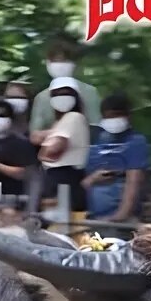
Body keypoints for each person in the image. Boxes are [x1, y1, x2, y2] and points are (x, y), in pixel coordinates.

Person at [83, 93, 148, 223]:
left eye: (118, 115)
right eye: (109, 116)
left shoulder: (135, 141)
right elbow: (85, 182)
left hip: (121, 220)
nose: (114, 119)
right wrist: (92, 179)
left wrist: (120, 216)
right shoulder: (96, 142)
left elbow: (133, 181)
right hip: (93, 216)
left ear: (128, 116)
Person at [28, 37, 101, 140]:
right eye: (55, 61)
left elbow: (97, 127)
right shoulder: (42, 98)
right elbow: (35, 135)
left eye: (64, 61)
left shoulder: (90, 92)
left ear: (74, 64)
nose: (59, 65)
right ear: (48, 64)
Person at [36, 77, 91, 211]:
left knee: (62, 226)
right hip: (59, 180)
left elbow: (52, 149)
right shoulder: (61, 122)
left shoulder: (73, 117)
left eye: (66, 93)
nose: (61, 97)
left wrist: (43, 150)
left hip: (64, 180)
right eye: (56, 94)